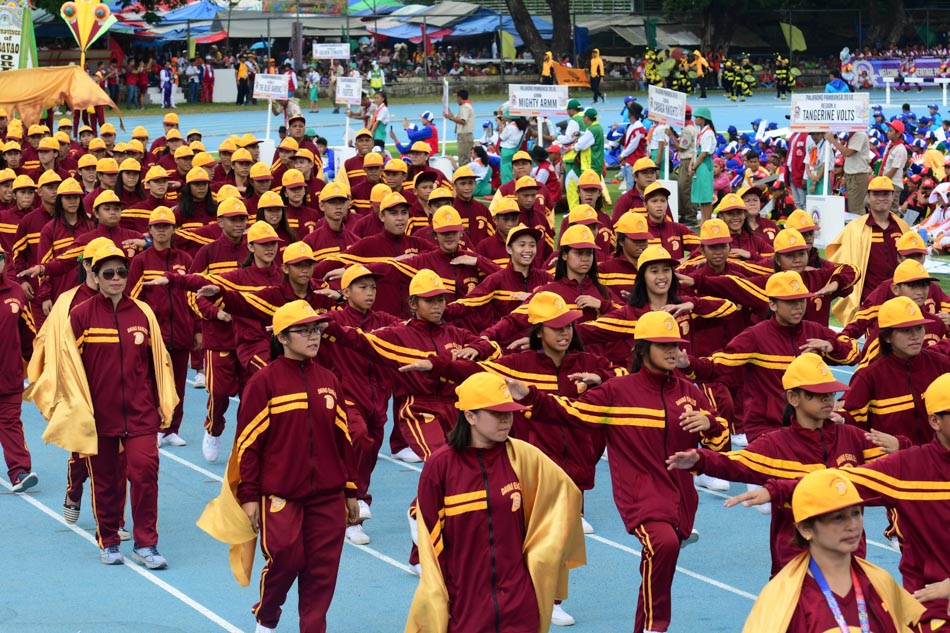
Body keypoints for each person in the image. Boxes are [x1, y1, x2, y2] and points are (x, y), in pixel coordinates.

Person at [506, 311, 729, 633]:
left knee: (666, 544)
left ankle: (673, 541)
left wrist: (710, 424)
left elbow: (720, 441)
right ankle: (654, 627)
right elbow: (570, 411)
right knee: (662, 543)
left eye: (676, 345)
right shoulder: (617, 391)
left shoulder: (690, 393)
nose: (672, 352)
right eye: (662, 345)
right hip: (639, 494)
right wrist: (529, 395)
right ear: (641, 349)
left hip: (682, 498)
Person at [199, 300, 358, 633]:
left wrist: (350, 490)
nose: (313, 337)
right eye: (304, 331)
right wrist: (249, 496)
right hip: (281, 495)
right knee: (285, 557)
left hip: (328, 497)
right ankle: (267, 616)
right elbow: (248, 446)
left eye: (316, 330)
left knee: (322, 573)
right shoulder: (263, 383)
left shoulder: (329, 381)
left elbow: (343, 442)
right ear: (283, 338)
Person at [667, 352, 902, 576]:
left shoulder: (853, 437)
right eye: (817, 393)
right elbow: (735, 463)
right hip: (794, 566)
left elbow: (900, 468)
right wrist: (700, 459)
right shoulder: (776, 444)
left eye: (830, 393)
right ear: (793, 398)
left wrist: (901, 444)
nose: (828, 399)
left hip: (849, 563)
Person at [405, 371, 587, 633]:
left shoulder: (523, 457)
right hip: (465, 605)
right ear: (470, 416)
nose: (506, 420)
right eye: (496, 413)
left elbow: (567, 495)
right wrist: (444, 597)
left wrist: (545, 557)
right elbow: (433, 543)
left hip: (519, 601)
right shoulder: (440, 465)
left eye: (509, 412)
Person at [48, 243, 177, 567]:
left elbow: (159, 362)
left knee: (145, 472)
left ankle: (147, 544)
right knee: (105, 482)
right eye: (109, 273)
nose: (117, 278)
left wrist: (163, 403)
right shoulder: (81, 316)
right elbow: (67, 365)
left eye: (122, 272)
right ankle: (108, 540)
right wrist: (76, 409)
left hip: (141, 414)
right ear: (95, 275)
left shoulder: (142, 314)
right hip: (98, 416)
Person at [739, 468, 925, 633]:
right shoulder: (781, 596)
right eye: (838, 518)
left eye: (856, 513)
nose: (852, 525)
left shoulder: (881, 582)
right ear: (805, 529)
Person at [826, 176, 910, 324]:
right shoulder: (855, 228)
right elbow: (839, 262)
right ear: (868, 196)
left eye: (885, 194)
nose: (881, 198)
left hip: (900, 300)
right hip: (868, 302)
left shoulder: (902, 227)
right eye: (876, 194)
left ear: (892, 196)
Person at [0, 243, 37, 493]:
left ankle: (19, 472)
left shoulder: (15, 292)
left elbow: (28, 334)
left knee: (11, 422)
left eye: (0, 257)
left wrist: (36, 366)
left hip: (9, 375)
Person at [825, 130, 870, 215]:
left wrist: (833, 140)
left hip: (858, 175)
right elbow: (849, 160)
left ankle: (859, 227)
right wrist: (845, 178)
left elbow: (848, 153)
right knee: (851, 207)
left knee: (856, 208)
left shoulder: (860, 134)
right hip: (851, 175)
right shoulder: (853, 135)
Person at [690, 106, 716, 222]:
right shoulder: (700, 132)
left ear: (704, 119)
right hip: (698, 163)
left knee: (706, 194)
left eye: (697, 118)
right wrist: (691, 164)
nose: (695, 120)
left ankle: (707, 219)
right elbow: (695, 150)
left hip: (704, 165)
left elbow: (704, 153)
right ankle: (703, 220)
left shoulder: (708, 133)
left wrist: (694, 166)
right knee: (701, 193)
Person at [444, 89, 475, 165]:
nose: (456, 100)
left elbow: (462, 121)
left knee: (464, 159)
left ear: (459, 97)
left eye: (457, 98)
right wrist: (446, 106)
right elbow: (455, 118)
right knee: (464, 158)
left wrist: (450, 118)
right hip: (465, 136)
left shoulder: (465, 107)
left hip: (465, 137)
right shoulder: (465, 106)